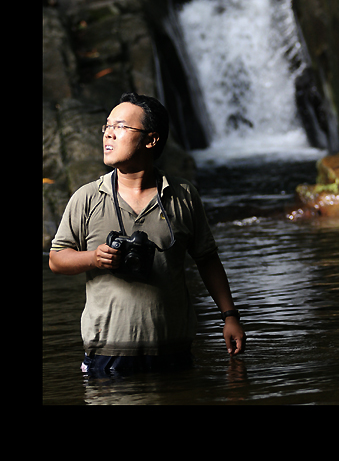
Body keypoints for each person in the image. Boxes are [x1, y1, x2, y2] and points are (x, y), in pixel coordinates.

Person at [49, 92, 246, 377]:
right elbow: (56, 259)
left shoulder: (183, 195)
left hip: (174, 352)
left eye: (121, 127)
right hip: (108, 354)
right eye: (107, 126)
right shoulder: (87, 198)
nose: (109, 135)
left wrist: (230, 316)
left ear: (151, 139)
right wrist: (93, 258)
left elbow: (207, 258)